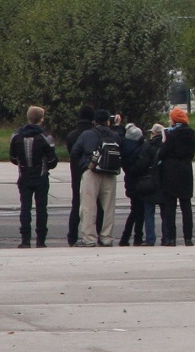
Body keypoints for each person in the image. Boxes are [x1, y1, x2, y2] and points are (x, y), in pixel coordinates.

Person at [9, 107, 59, 249]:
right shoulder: (45, 137)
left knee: (25, 208)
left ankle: (25, 240)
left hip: (24, 175)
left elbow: (13, 158)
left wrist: (22, 163)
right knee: (41, 208)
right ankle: (41, 240)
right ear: (41, 119)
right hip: (41, 176)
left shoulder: (16, 136)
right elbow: (52, 161)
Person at [75, 109, 121, 247]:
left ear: (94, 121)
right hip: (110, 173)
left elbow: (75, 152)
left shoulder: (87, 134)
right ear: (108, 121)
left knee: (88, 206)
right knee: (108, 207)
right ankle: (106, 237)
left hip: (92, 171)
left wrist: (83, 166)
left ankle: (89, 238)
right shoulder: (115, 135)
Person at [117, 122, 161, 246]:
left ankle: (129, 237)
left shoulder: (125, 148)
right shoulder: (141, 148)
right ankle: (133, 237)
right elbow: (141, 165)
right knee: (138, 211)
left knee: (135, 210)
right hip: (140, 183)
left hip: (130, 182)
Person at [158, 108, 195, 247]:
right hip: (186, 171)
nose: (169, 121)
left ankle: (172, 238)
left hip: (171, 172)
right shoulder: (191, 134)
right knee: (186, 206)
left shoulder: (171, 135)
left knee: (170, 206)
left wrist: (163, 144)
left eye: (170, 118)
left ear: (175, 120)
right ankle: (188, 238)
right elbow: (192, 154)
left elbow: (162, 152)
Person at [65, 106, 95, 246]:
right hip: (92, 171)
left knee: (76, 204)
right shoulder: (93, 134)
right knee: (95, 205)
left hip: (76, 172)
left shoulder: (72, 135)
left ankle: (72, 236)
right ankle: (96, 233)